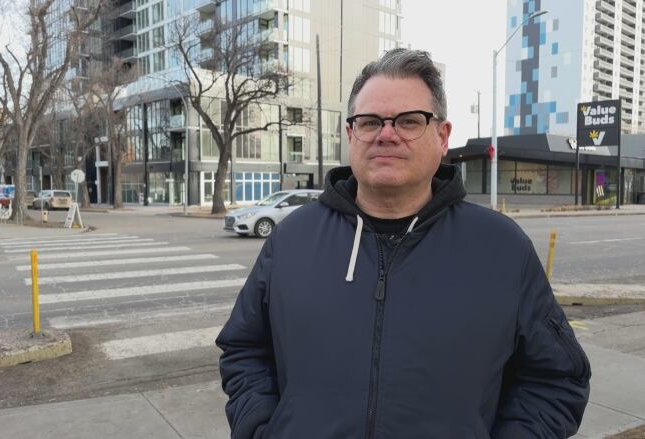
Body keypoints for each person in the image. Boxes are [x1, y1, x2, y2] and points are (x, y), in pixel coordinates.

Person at [216, 48, 590, 439]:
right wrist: (261, 429)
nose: (387, 134)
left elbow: (557, 379)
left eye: (410, 121)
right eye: (370, 121)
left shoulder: (502, 249)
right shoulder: (292, 240)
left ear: (443, 137)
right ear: (350, 134)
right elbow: (244, 351)